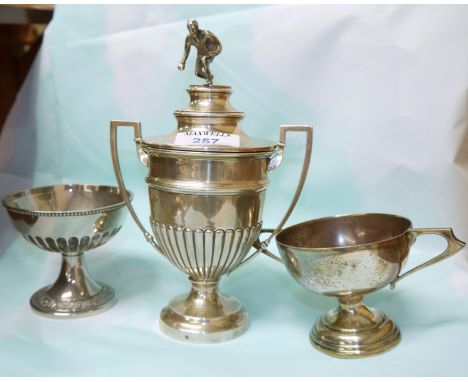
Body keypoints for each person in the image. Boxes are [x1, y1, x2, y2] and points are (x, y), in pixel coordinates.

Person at [178, 19, 222, 85]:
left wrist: (213, 53)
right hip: (200, 54)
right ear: (188, 28)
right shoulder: (189, 38)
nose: (193, 30)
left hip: (210, 52)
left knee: (204, 59)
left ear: (197, 27)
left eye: (194, 27)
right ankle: (209, 77)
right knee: (198, 73)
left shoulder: (206, 34)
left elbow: (219, 46)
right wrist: (182, 62)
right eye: (190, 28)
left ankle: (209, 80)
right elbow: (186, 50)